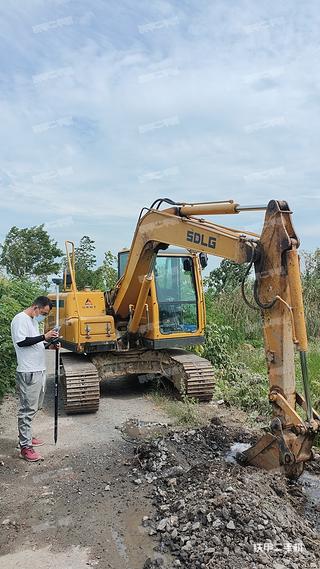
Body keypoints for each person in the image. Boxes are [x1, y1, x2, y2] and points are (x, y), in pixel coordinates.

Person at [11, 296, 59, 462]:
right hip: (28, 372)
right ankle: (25, 447)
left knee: (34, 407)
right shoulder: (20, 319)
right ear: (36, 307)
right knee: (26, 410)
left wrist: (49, 345)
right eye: (43, 313)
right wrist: (43, 337)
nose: (43, 316)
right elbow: (22, 342)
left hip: (39, 370)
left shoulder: (33, 321)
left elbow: (35, 344)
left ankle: (27, 437)